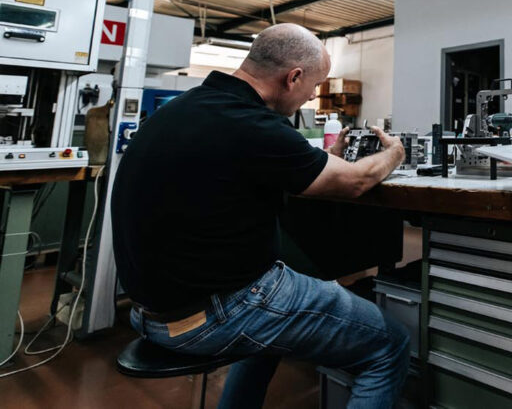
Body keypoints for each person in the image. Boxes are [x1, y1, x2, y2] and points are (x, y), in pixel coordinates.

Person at [112, 23, 409, 408]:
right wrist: (394, 153)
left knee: (269, 337)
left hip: (149, 315)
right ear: (293, 77)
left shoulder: (185, 108)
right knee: (389, 346)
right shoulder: (254, 124)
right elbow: (356, 182)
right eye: (313, 86)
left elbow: (253, 163)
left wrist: (323, 160)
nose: (312, 96)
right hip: (216, 316)